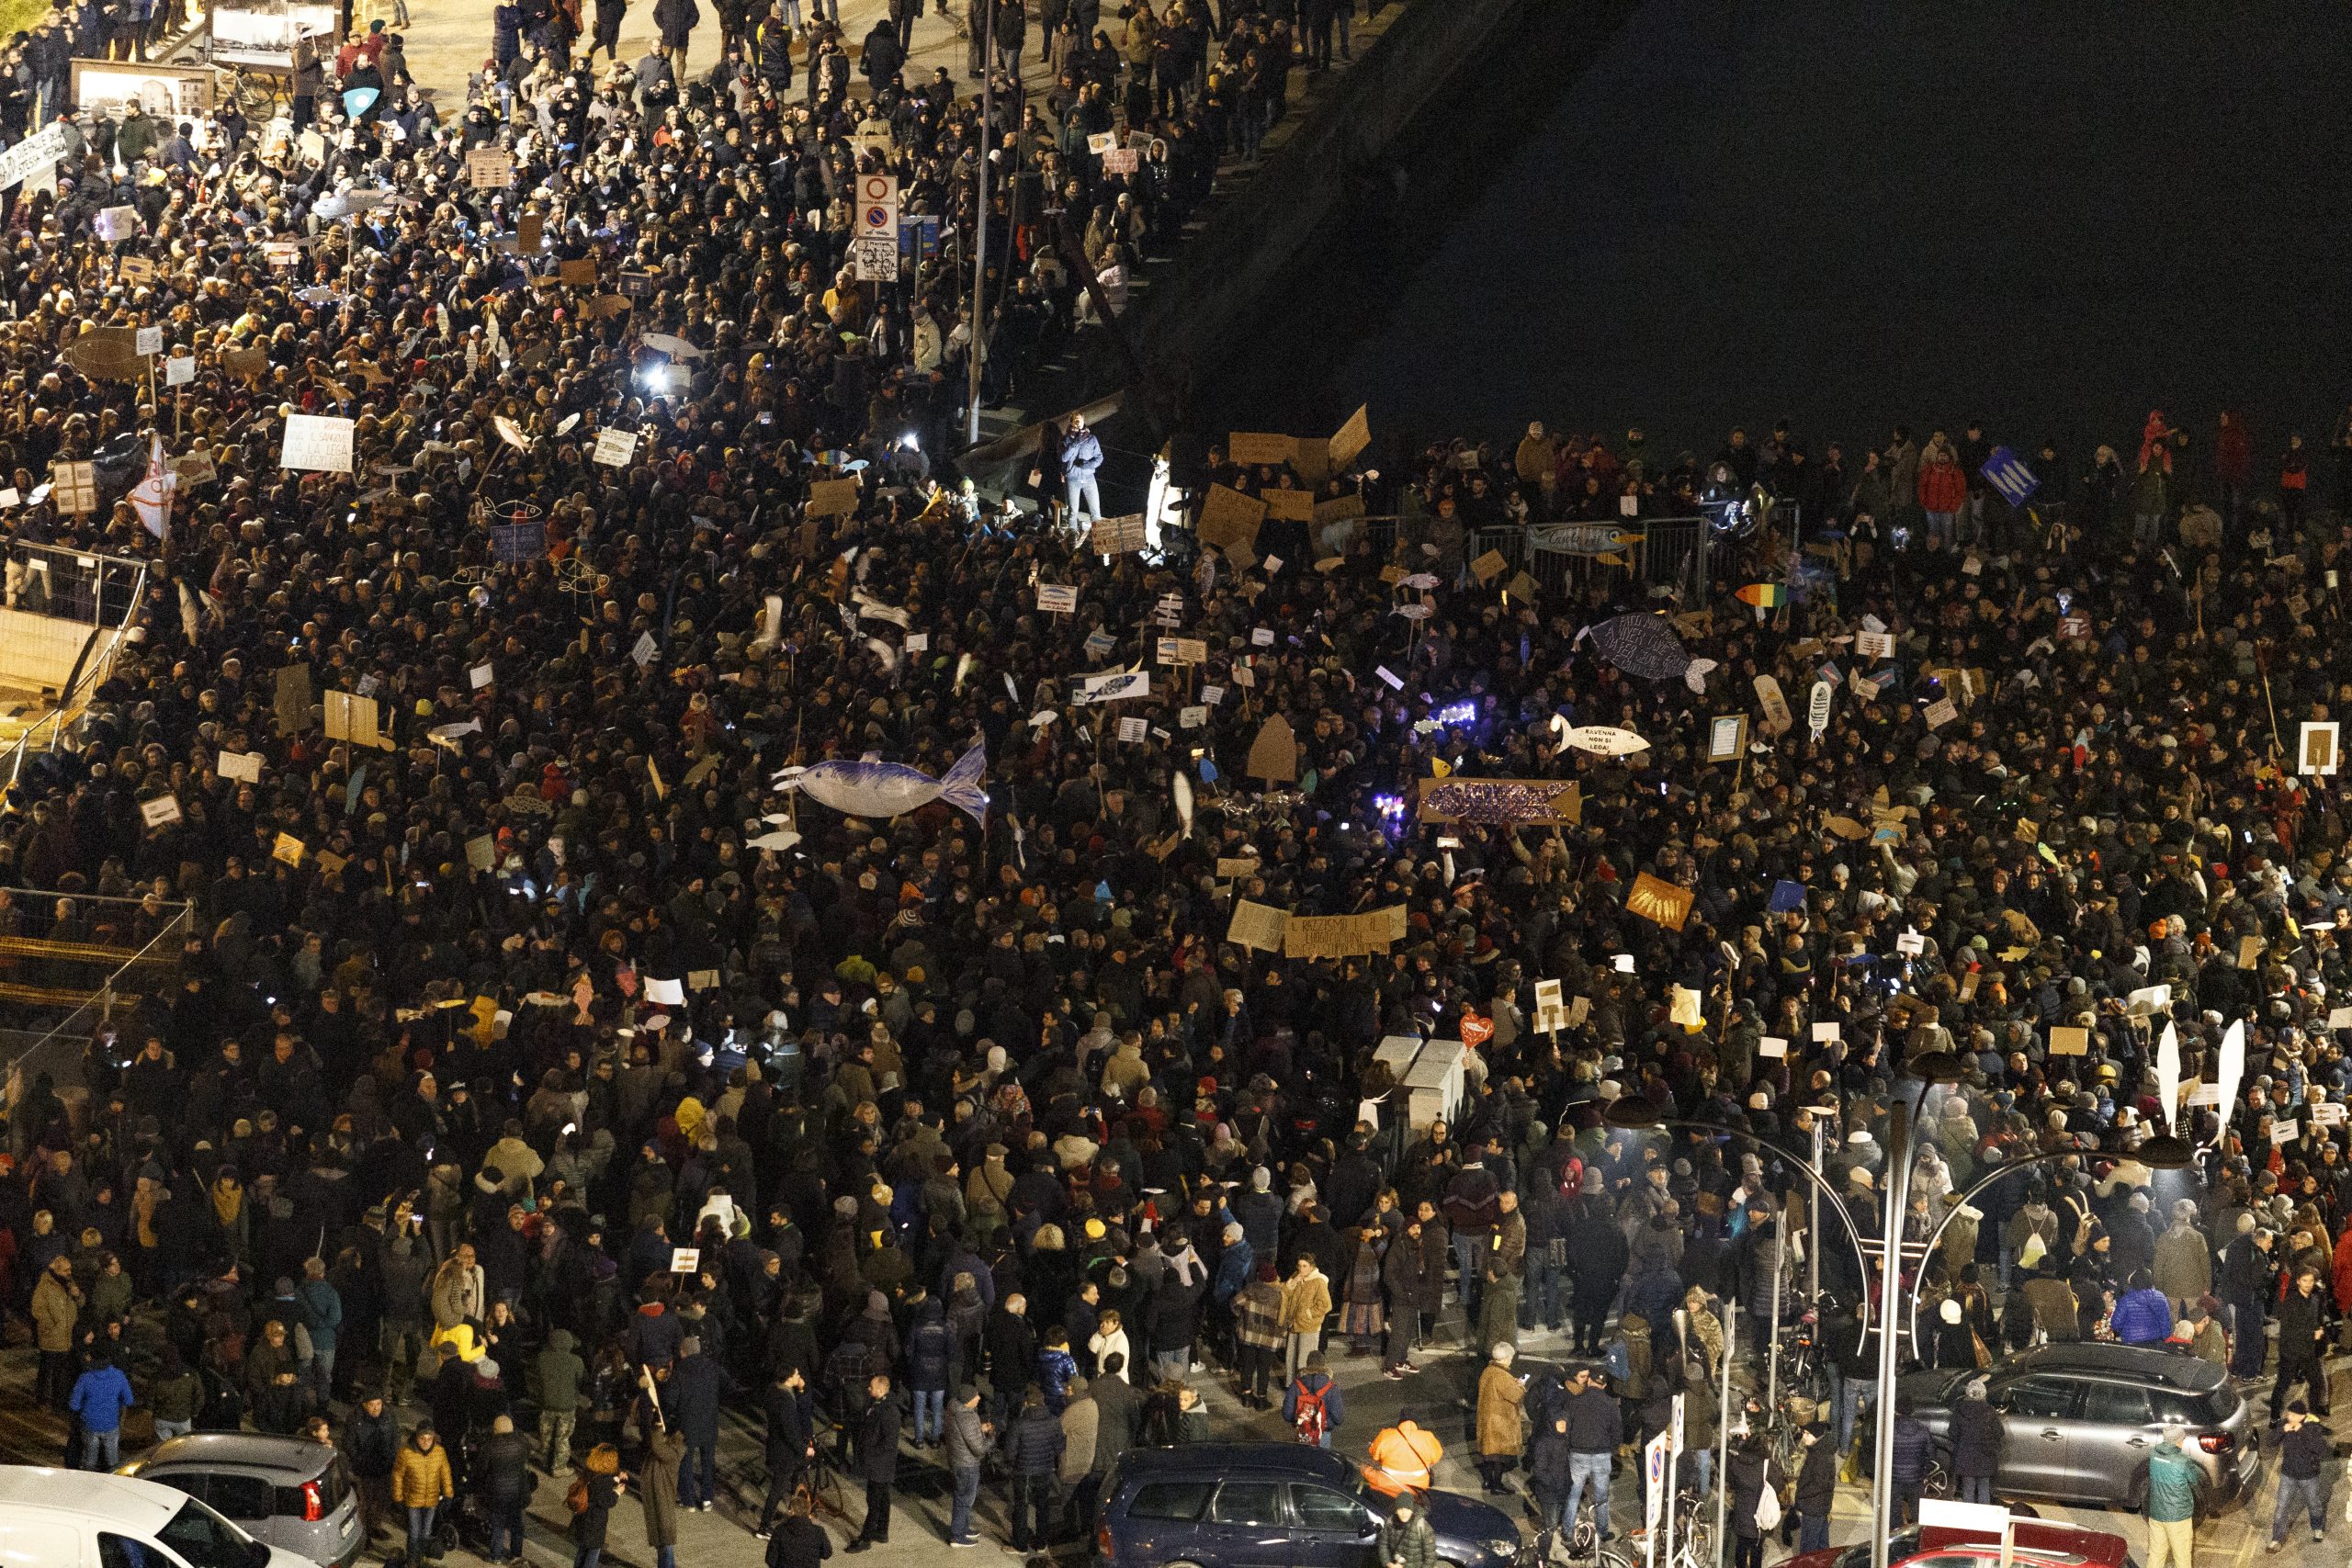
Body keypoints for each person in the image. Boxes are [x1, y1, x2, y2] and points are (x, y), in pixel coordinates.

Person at [1001, 1382, 1062, 1553]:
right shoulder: (1054, 1421)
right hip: (1045, 1470)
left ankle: (1020, 1545)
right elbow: (1059, 1447)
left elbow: (1009, 1453)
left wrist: (1012, 1464)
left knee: (1022, 1507)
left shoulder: (1019, 1424)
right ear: (1043, 1402)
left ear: (1026, 1403)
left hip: (1024, 1472)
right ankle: (1041, 1543)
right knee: (1043, 1506)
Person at [847, 1372, 899, 1551]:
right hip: (877, 1463)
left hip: (880, 1464)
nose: (868, 1389)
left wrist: (870, 1453)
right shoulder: (876, 1404)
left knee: (874, 1501)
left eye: (871, 1387)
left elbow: (889, 1442)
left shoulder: (889, 1412)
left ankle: (866, 1538)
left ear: (881, 1389)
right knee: (883, 1497)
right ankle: (882, 1531)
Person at [392, 1425, 455, 1567]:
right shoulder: (406, 1452)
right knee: (414, 1532)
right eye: (423, 1438)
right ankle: (412, 1560)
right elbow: (398, 1476)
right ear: (416, 1438)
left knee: (426, 1532)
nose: (426, 1442)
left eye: (429, 1438)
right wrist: (398, 1498)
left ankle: (420, 1558)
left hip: (431, 1500)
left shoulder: (439, 1452)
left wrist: (448, 1494)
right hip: (412, 1501)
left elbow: (445, 1474)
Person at [345, 1392, 401, 1550]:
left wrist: (391, 1457)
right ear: (365, 1405)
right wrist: (360, 1460)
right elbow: (349, 1443)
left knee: (381, 1500)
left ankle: (375, 1526)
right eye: (372, 1405)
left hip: (384, 1467)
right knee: (365, 1503)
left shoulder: (388, 1417)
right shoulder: (356, 1419)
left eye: (379, 1404)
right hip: (365, 1469)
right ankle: (364, 1535)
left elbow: (395, 1438)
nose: (376, 1408)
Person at [66, 1351, 137, 1470]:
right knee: (113, 1461)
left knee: (89, 1460)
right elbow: (129, 1400)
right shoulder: (119, 1376)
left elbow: (74, 1405)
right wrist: (117, 1404)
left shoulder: (85, 1378)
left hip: (90, 1424)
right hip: (111, 1424)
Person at [2270, 1402, 2326, 1551]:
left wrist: (2301, 1431)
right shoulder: (2285, 1424)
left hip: (2308, 1475)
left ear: (2302, 1416)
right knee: (2281, 1507)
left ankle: (2317, 1527)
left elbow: (2319, 1448)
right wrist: (2283, 1430)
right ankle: (2277, 1538)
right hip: (2288, 1474)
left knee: (2313, 1504)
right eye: (2289, 1414)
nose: (2289, 1417)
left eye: (2293, 1415)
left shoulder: (2313, 1426)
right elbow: (2271, 1442)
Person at [480, 1414, 534, 1565]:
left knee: (498, 1527)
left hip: (498, 1494)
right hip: (517, 1492)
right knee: (517, 1526)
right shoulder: (521, 1444)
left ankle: (495, 1556)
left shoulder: (490, 1447)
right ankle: (516, 1554)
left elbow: (482, 1470)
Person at [2143, 1424, 2199, 1568]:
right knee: (2182, 1558)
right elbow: (2194, 1478)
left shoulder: (2153, 1455)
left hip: (2156, 1514)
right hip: (2178, 1517)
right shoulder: (2182, 1461)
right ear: (2177, 1440)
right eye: (2183, 1438)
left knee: (2156, 1554)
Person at [1475, 1343, 1526, 1495]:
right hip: (1500, 1421)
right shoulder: (1501, 1375)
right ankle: (1496, 1485)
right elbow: (1515, 1396)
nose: (1511, 1360)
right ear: (1504, 1359)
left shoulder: (1488, 1370)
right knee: (1499, 1455)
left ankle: (1487, 1480)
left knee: (1488, 1453)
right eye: (1510, 1357)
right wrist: (1520, 1385)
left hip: (1487, 1417)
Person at [944, 1382, 989, 1546]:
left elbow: (963, 1433)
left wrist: (978, 1429)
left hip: (957, 1461)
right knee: (965, 1500)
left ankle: (963, 1527)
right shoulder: (967, 1416)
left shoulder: (955, 1409)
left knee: (961, 1497)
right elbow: (979, 1449)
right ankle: (957, 1536)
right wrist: (990, 1438)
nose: (978, 1397)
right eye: (975, 1396)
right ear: (967, 1400)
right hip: (967, 1464)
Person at [571, 1444, 628, 1568]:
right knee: (593, 1554)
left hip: (583, 1517)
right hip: (594, 1522)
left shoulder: (590, 1471)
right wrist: (617, 1492)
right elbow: (607, 1501)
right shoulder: (604, 1481)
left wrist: (616, 1478)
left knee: (582, 1551)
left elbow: (599, 1485)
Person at [1949, 1378, 2003, 1506]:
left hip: (1965, 1456)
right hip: (1986, 1455)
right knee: (1984, 1489)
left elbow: (1952, 1432)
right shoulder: (1990, 1411)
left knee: (1968, 1489)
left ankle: (1970, 1520)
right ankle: (1984, 1521)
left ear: (1967, 1393)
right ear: (1983, 1393)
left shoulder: (1959, 1411)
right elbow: (1999, 1432)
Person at [1792, 1425, 1838, 1554]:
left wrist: (1801, 1495)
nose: (1804, 1436)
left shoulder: (1820, 1456)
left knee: (1808, 1547)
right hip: (1819, 1505)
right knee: (1822, 1544)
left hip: (1813, 1506)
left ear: (1816, 1437)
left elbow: (1819, 1484)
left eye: (1807, 1433)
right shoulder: (1820, 1451)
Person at [1368, 1415, 1444, 1492]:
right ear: (1416, 1423)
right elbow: (1437, 1456)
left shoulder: (1385, 1434)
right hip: (1419, 1487)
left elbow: (1374, 1455)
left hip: (1389, 1484)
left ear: (1400, 1422)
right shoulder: (1428, 1437)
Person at [1282, 1352, 1342, 1449]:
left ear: (1307, 1364)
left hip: (1303, 1431)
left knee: (1304, 1461)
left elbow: (1287, 1414)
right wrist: (1325, 1423)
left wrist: (1301, 1421)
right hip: (1323, 1432)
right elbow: (1338, 1418)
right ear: (1324, 1364)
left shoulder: (1296, 1385)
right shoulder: (1331, 1388)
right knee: (1321, 1460)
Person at [1889, 1394, 1932, 1527]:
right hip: (1916, 1478)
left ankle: (1896, 1535)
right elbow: (1931, 1453)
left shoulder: (1890, 1429)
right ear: (1912, 1410)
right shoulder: (1922, 1429)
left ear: (1897, 1409)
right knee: (1917, 1512)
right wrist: (1923, 1468)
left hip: (1895, 1477)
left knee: (1894, 1512)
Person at [767, 1495, 833, 1568]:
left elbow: (770, 1558)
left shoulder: (780, 1530)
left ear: (792, 1512)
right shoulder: (819, 1531)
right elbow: (827, 1553)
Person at [1061, 413, 1103, 524]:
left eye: (1080, 420)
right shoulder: (1066, 439)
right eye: (1076, 420)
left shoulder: (1092, 439)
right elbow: (1064, 458)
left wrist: (1089, 464)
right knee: (1073, 512)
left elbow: (1099, 458)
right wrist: (1076, 441)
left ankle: (1097, 538)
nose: (1078, 423)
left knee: (1095, 512)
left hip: (1089, 479)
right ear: (1071, 422)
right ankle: (1072, 538)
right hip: (1072, 479)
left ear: (1084, 421)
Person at [1377, 1494, 1439, 1568]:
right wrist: (1388, 1563)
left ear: (1412, 1510)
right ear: (1396, 1510)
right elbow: (1383, 1545)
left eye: (1407, 1509)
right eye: (1400, 1509)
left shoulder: (1422, 1526)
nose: (1404, 1513)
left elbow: (1430, 1558)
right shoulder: (1390, 1522)